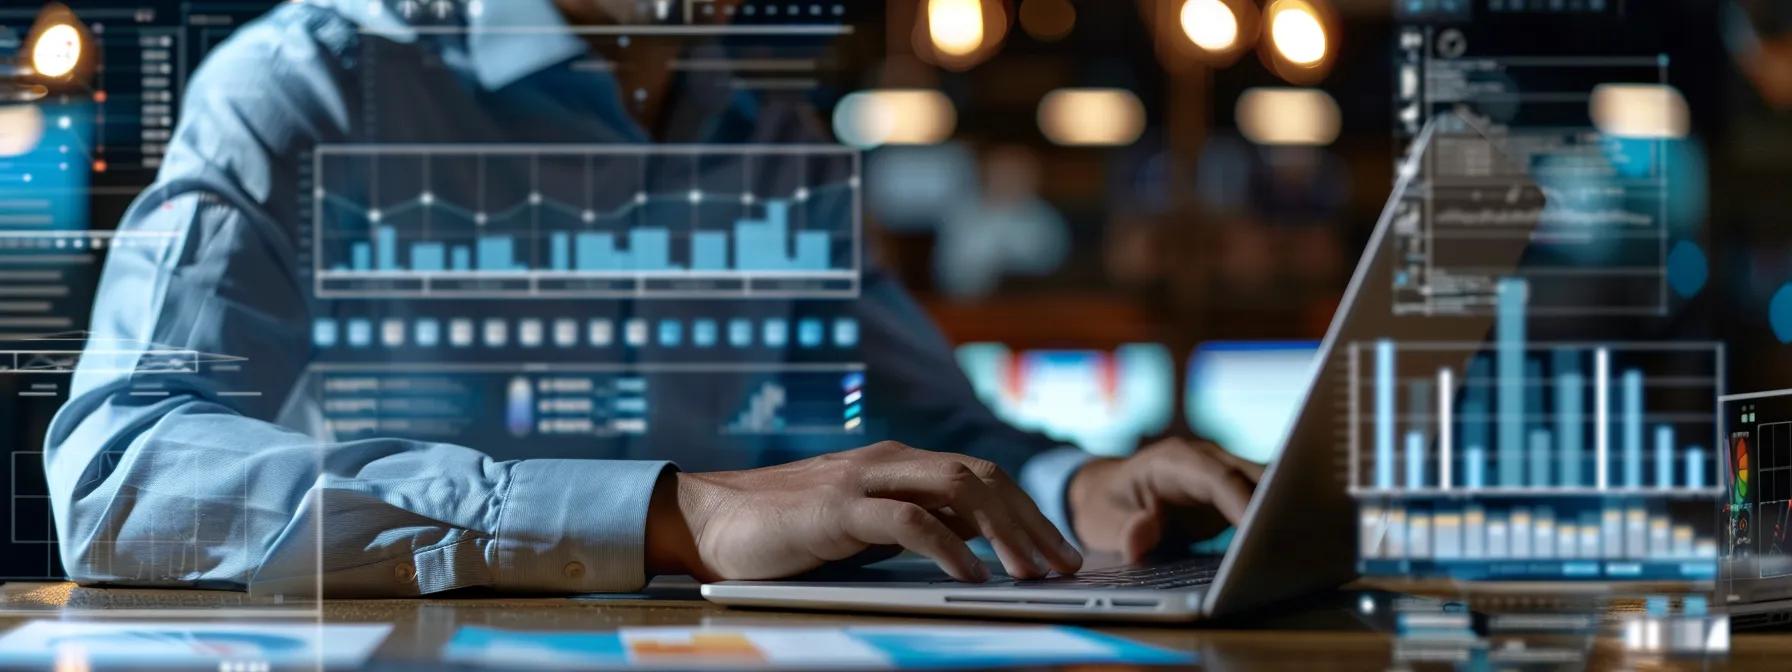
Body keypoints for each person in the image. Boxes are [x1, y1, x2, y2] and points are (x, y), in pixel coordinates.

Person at [45, 0, 1262, 596]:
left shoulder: (774, 149)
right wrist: (671, 514)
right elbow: (121, 476)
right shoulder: (308, 84)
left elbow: (941, 444)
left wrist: (1074, 491)